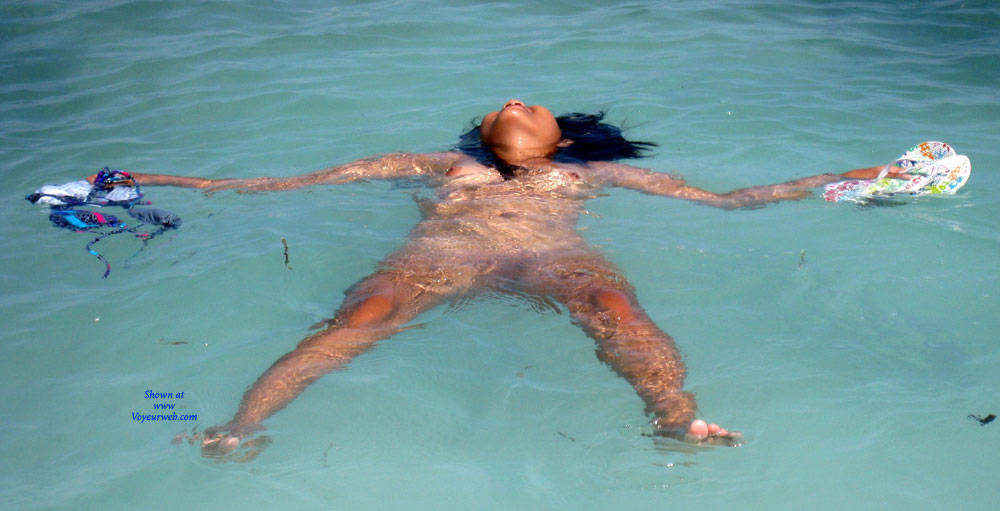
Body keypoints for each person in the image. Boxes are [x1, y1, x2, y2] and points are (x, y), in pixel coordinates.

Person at [98, 99, 899, 457]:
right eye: (508, 104)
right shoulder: (434, 163)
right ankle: (241, 425)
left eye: (533, 105)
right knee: (359, 318)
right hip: (438, 257)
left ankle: (675, 418)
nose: (517, 99)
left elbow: (728, 201)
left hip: (553, 257)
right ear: (485, 136)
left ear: (559, 140)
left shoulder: (595, 174)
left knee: (612, 304)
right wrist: (163, 180)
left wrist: (839, 178)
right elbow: (284, 184)